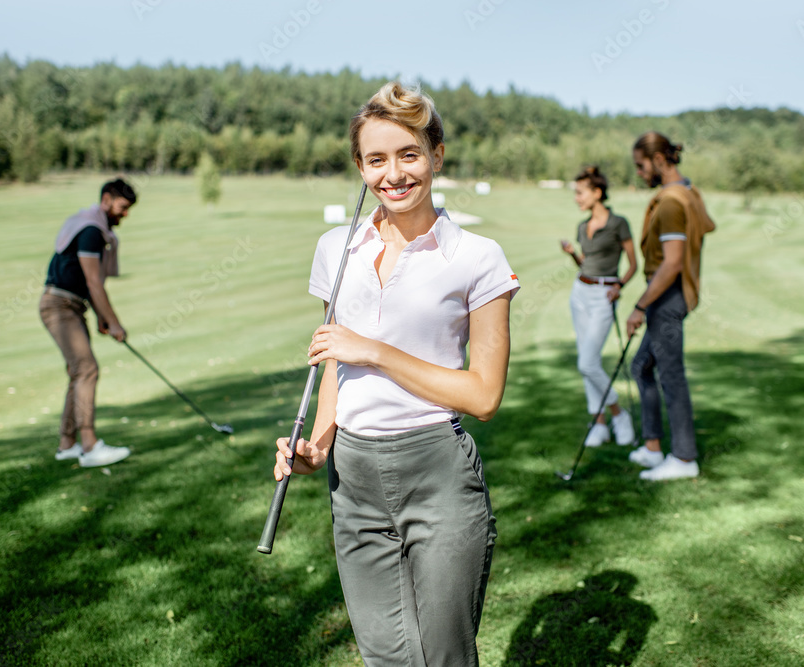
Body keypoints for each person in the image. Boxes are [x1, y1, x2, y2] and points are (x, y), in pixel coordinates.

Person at [273, 82, 520, 666]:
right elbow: (336, 364)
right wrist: (318, 445)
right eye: (376, 159)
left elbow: (483, 396)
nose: (394, 174)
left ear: (437, 155)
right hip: (351, 480)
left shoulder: (478, 258)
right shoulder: (336, 249)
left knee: (443, 657)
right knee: (386, 658)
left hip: (436, 472)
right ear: (359, 166)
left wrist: (375, 350)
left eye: (409, 154)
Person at [625, 132, 716, 481]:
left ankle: (683, 457)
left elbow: (672, 262)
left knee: (671, 376)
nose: (639, 173)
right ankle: (652, 448)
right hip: (667, 295)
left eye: (641, 165)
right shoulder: (688, 193)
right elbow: (704, 226)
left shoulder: (671, 203)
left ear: (659, 161)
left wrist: (639, 306)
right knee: (642, 367)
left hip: (667, 296)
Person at [40, 178, 136, 468]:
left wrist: (100, 318)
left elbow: (87, 283)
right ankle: (90, 446)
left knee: (78, 371)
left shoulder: (93, 228)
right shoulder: (92, 231)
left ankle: (67, 444)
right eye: (122, 207)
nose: (125, 214)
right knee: (87, 369)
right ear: (106, 199)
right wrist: (114, 323)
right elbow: (94, 283)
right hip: (60, 305)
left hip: (71, 305)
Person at [560, 166, 637, 448]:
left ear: (597, 193)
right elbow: (586, 265)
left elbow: (633, 264)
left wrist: (620, 286)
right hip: (580, 291)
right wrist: (572, 255)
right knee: (586, 363)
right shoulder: (582, 227)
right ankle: (599, 424)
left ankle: (619, 415)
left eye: (580, 193)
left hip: (605, 295)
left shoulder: (619, 223)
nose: (577, 198)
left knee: (588, 363)